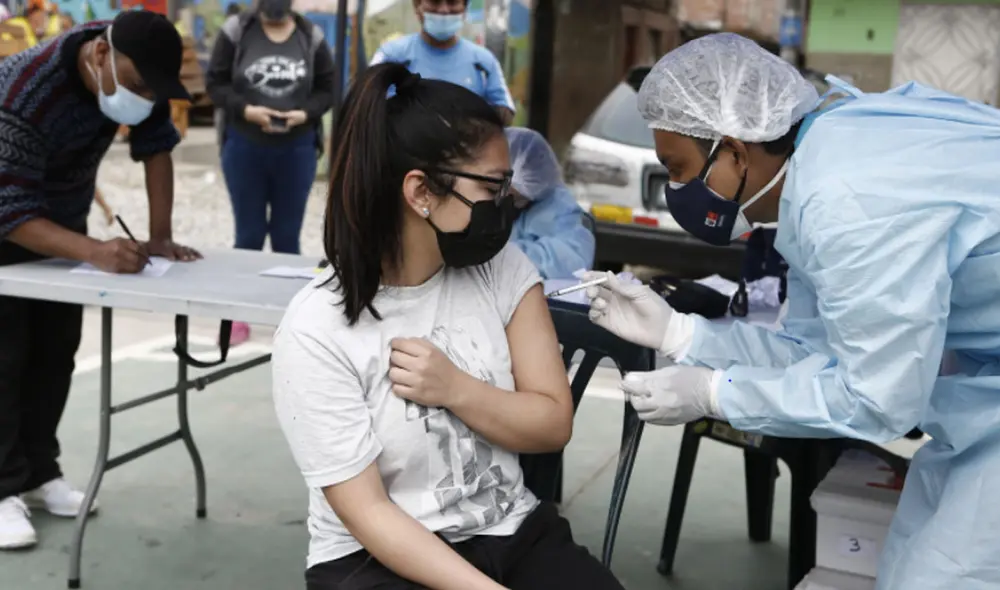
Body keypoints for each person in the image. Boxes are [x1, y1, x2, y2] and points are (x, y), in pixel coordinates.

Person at [584, 32, 1000, 590]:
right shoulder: (819, 162)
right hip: (985, 374)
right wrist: (683, 334)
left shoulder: (843, 197)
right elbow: (816, 348)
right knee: (917, 561)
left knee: (945, 576)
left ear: (733, 150)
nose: (677, 189)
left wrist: (714, 394)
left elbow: (877, 400)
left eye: (678, 168)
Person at [271, 62, 624, 590]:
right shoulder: (317, 327)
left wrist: (457, 389)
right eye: (493, 189)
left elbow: (552, 425)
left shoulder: (503, 271)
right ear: (420, 193)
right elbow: (366, 512)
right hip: (376, 558)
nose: (506, 206)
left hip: (511, 531)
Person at [0, 11, 200, 550]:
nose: (141, 98)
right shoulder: (23, 89)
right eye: (135, 86)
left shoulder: (140, 61)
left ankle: (40, 472)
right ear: (99, 57)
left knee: (57, 345)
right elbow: (9, 210)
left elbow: (156, 146)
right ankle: (1, 488)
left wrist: (159, 237)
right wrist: (97, 252)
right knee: (5, 352)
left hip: (59, 219)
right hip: (6, 217)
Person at [206, 0, 336, 345]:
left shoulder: (312, 36)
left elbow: (328, 89)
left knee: (287, 236)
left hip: (297, 150)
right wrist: (246, 110)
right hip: (244, 146)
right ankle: (235, 316)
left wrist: (305, 114)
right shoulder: (236, 32)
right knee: (247, 236)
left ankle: (289, 318)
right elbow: (215, 84)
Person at [370, 0, 515, 125]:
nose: (444, 10)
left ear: (464, 8)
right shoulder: (390, 55)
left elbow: (505, 112)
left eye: (452, 2)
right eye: (435, 1)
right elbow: (364, 104)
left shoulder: (484, 61)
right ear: (417, 5)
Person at [505, 127, 594, 279]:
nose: (503, 197)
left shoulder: (559, 208)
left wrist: (504, 257)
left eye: (515, 195)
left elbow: (572, 264)